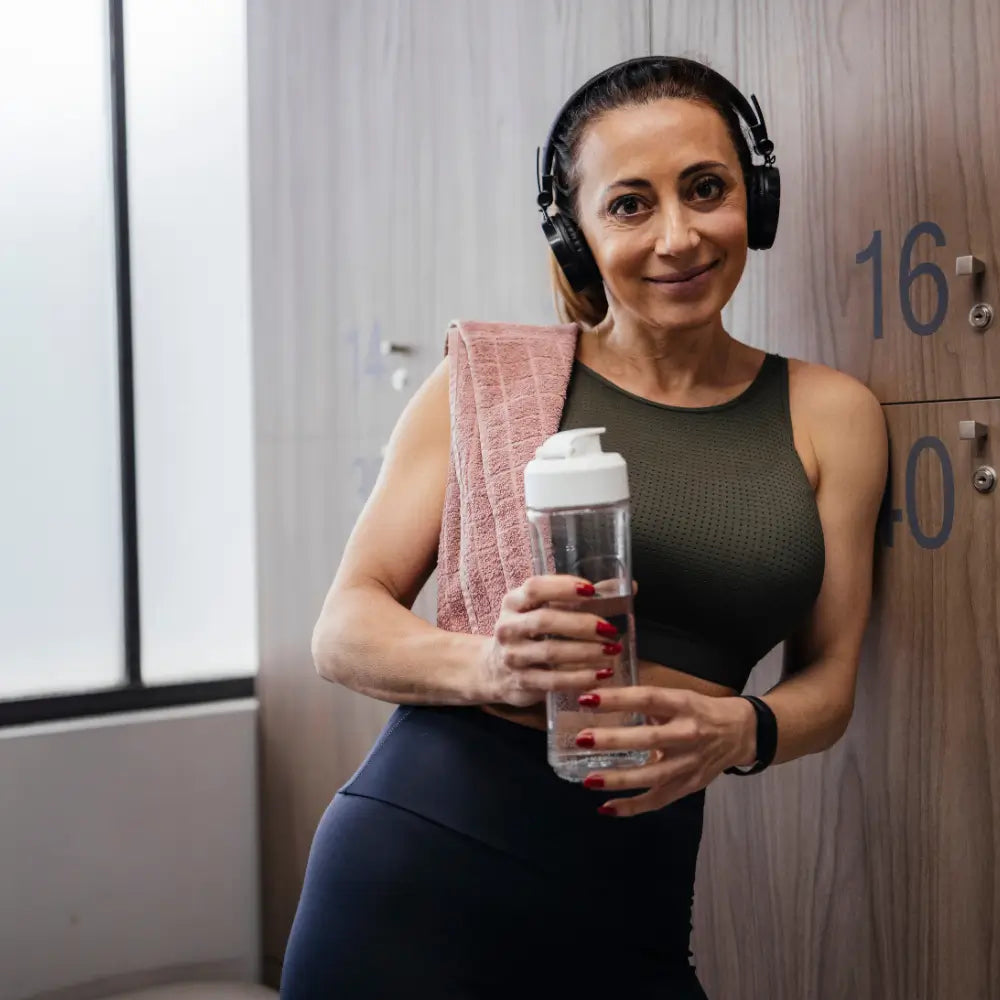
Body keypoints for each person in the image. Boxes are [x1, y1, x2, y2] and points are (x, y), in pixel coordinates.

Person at [280, 56, 888, 998]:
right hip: (416, 863)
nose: (679, 236)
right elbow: (343, 627)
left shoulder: (832, 414)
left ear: (754, 200)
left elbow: (831, 683)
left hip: (632, 893)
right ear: (576, 236)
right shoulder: (489, 381)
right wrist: (490, 665)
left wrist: (741, 730)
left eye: (706, 189)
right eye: (630, 205)